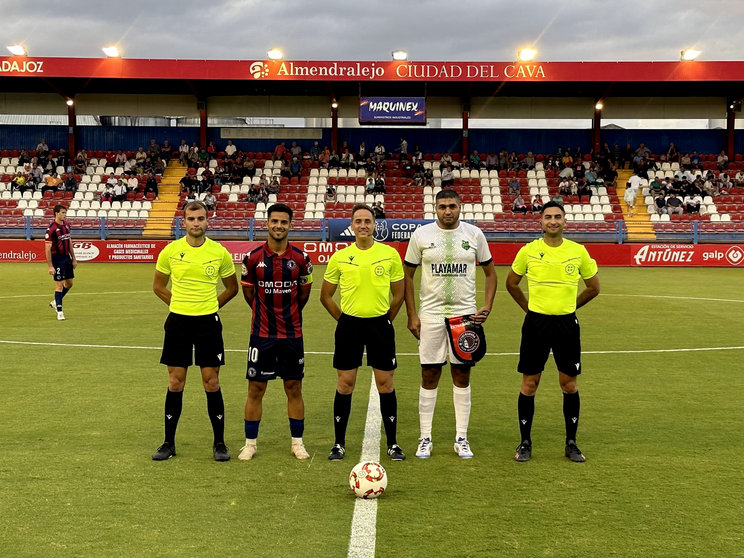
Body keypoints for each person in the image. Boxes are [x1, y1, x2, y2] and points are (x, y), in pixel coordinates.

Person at [404, 189, 496, 459]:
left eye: (452, 206)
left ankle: (461, 437)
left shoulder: (474, 235)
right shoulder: (421, 235)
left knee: (461, 375)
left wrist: (487, 306)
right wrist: (412, 314)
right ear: (435, 208)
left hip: (464, 317)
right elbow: (407, 277)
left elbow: (491, 273)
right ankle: (425, 438)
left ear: (460, 207)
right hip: (430, 316)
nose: (447, 211)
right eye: (442, 206)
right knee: (429, 375)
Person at [505, 201, 600, 463]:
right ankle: (525, 442)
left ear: (565, 221)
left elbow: (594, 287)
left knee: (569, 384)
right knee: (529, 383)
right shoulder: (529, 251)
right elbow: (511, 283)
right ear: (541, 221)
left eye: (558, 216)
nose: (553, 221)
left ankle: (571, 443)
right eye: (548, 217)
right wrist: (528, 308)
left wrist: (571, 307)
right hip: (536, 324)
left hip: (566, 325)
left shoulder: (578, 251)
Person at [151, 201, 238, 462]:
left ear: (207, 221)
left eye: (200, 218)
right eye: (191, 219)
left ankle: (220, 444)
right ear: (184, 221)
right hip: (178, 322)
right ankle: (168, 443)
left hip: (207, 323)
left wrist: (210, 306)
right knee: (176, 381)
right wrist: (179, 305)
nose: (196, 223)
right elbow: (158, 286)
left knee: (211, 381)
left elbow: (232, 288)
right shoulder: (171, 250)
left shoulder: (219, 252)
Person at [320, 204, 406, 462]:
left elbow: (399, 293)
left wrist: (385, 320)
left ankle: (392, 443)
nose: (363, 225)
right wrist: (344, 320)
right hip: (350, 327)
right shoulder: (340, 257)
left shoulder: (389, 254)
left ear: (374, 224)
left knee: (385, 384)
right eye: (358, 221)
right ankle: (338, 444)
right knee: (345, 385)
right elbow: (326, 296)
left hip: (380, 325)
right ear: (352, 225)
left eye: (367, 221)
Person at [238, 203, 314, 461]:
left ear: (290, 225)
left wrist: (287, 314)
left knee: (294, 387)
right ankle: (250, 444)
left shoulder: (302, 259)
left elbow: (304, 295)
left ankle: (297, 443)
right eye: (274, 221)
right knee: (256, 389)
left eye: (283, 222)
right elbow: (249, 294)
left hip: (292, 335)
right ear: (267, 224)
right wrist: (265, 313)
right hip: (261, 335)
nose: (278, 226)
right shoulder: (253, 258)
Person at [45, 204, 77, 321]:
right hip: (57, 258)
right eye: (63, 213)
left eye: (65, 213)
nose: (64, 215)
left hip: (66, 258)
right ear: (56, 213)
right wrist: (50, 266)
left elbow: (69, 241)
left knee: (69, 284)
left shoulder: (67, 226)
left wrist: (73, 258)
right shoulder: (51, 229)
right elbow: (47, 248)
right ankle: (60, 311)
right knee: (59, 285)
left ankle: (55, 302)